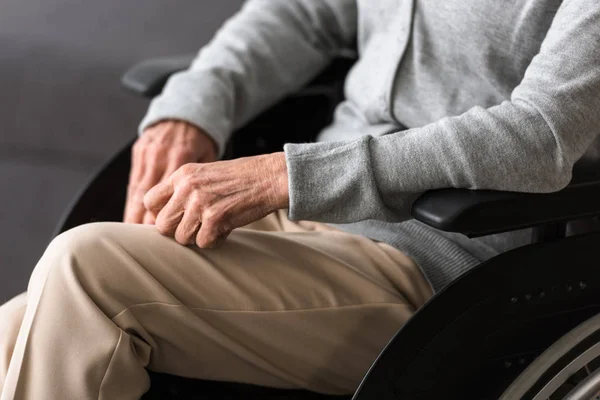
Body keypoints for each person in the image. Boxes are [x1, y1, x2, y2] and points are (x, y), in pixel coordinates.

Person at [1, 0, 600, 398]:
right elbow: (300, 14)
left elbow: (539, 135)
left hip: (437, 263)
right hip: (301, 223)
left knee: (87, 268)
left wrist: (284, 176)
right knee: (14, 331)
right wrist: (194, 108)